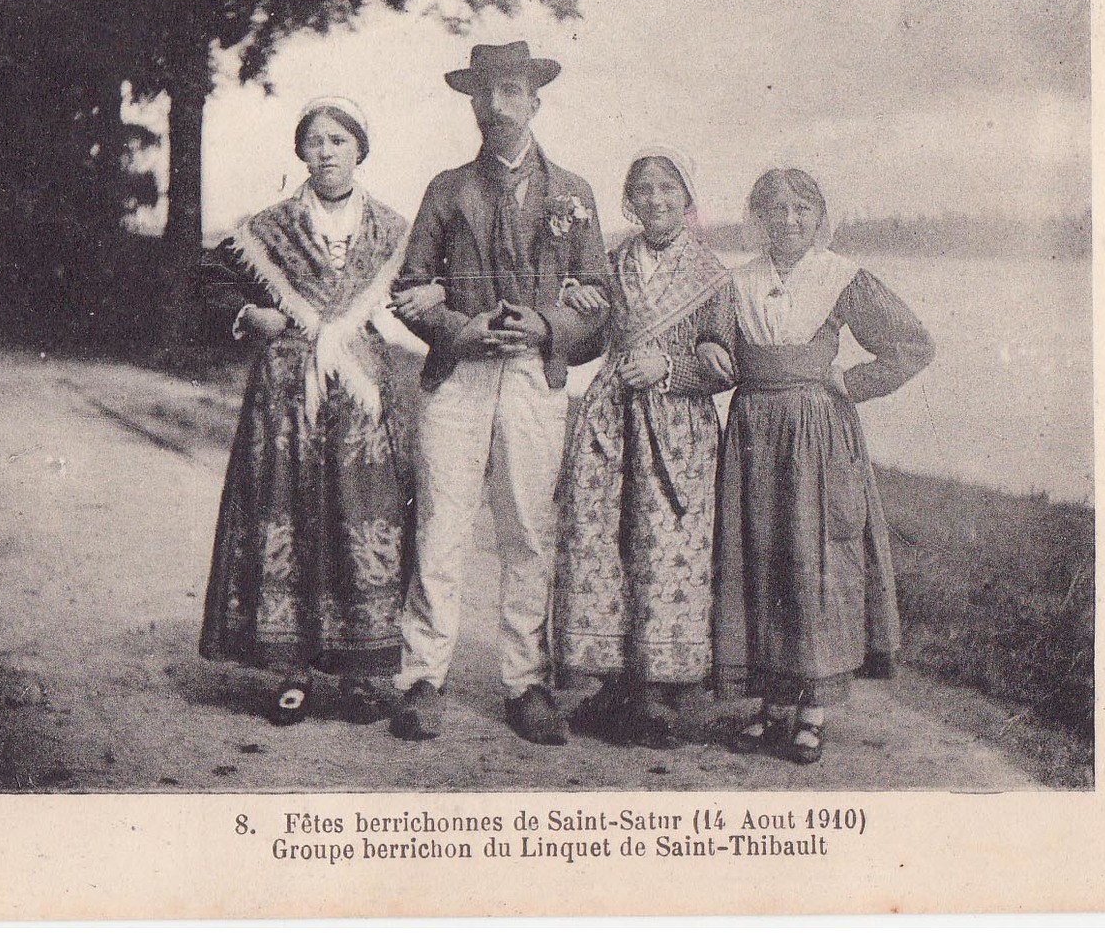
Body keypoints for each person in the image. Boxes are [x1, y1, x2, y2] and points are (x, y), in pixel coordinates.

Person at [388, 41, 610, 745]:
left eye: (511, 91)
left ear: (535, 101)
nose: (496, 106)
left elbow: (598, 297)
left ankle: (525, 682)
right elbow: (409, 290)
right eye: (485, 93)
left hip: (534, 378)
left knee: (525, 530)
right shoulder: (446, 189)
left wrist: (546, 323)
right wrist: (461, 329)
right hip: (457, 377)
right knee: (441, 526)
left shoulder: (572, 193)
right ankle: (423, 677)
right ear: (472, 103)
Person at [196, 96, 439, 727]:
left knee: (367, 514)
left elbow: (419, 293)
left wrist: (427, 301)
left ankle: (363, 673)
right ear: (300, 151)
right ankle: (291, 671)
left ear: (360, 149)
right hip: (287, 391)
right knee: (288, 510)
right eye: (315, 141)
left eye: (339, 140)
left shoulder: (393, 230)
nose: (326, 151)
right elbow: (213, 281)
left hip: (363, 393)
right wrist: (250, 313)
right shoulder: (267, 229)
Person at [712, 167, 934, 764]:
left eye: (801, 209)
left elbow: (913, 344)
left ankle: (812, 711)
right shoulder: (736, 282)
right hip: (753, 432)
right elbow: (712, 349)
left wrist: (852, 380)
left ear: (818, 217)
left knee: (813, 559)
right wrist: (711, 355)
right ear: (757, 220)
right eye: (775, 210)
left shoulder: (840, 277)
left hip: (815, 435)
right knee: (759, 557)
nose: (789, 221)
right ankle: (768, 705)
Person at [552, 147, 736, 748]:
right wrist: (571, 312)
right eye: (644, 190)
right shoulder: (608, 263)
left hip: (677, 426)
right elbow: (582, 348)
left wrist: (673, 367)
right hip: (610, 416)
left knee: (667, 545)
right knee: (605, 539)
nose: (656, 200)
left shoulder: (714, 275)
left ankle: (659, 692)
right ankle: (612, 683)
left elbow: (725, 364)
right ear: (630, 200)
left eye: (668, 189)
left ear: (686, 199)